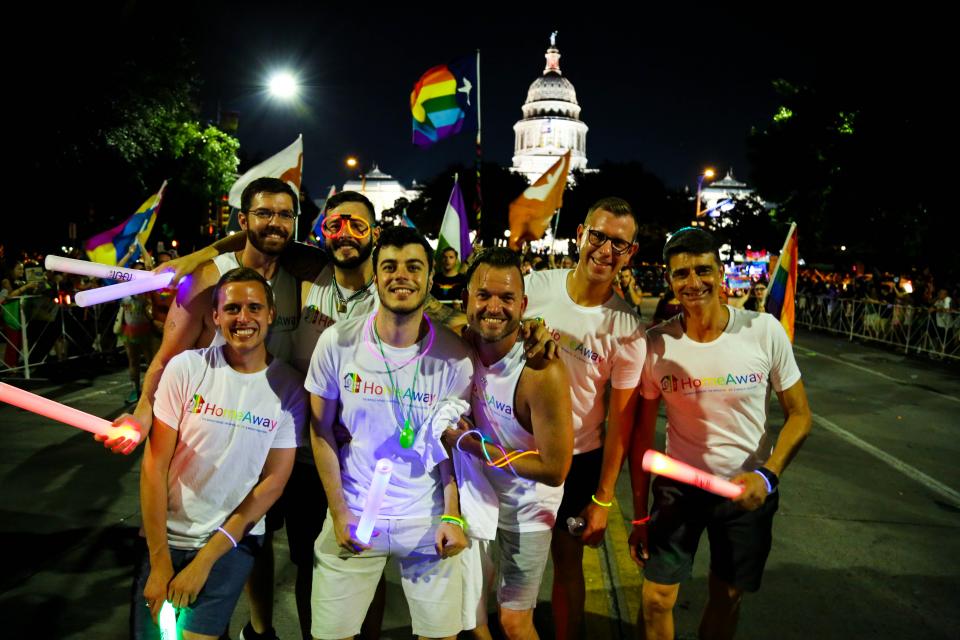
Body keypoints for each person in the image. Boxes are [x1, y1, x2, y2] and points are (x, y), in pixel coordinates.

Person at [629, 227, 812, 640]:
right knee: (656, 598)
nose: (693, 283)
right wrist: (640, 513)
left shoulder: (764, 330)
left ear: (721, 271)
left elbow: (800, 415)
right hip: (679, 488)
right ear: (669, 279)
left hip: (746, 489)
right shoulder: (657, 344)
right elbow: (641, 438)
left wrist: (768, 475)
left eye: (702, 270)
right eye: (681, 274)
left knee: (726, 595)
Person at [306, 226, 471, 640]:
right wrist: (340, 513)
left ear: (430, 278)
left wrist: (452, 514)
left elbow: (450, 449)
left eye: (414, 267)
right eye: (390, 267)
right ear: (376, 276)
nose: (402, 276)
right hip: (358, 513)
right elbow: (320, 429)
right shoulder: (337, 342)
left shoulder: (455, 356)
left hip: (427, 520)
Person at [134, 267, 304, 639]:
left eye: (255, 308)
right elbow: (153, 466)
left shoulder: (288, 387)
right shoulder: (187, 368)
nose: (243, 318)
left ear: (271, 314)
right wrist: (159, 561)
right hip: (167, 535)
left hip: (232, 539)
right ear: (215, 317)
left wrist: (207, 560)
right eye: (232, 309)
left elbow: (273, 483)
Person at [441, 247, 573, 640]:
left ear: (524, 304)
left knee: (515, 622)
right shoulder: (461, 338)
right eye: (483, 296)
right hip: (479, 499)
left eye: (507, 298)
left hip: (527, 510)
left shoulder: (540, 370)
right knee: (473, 609)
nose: (494, 307)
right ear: (466, 299)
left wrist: (471, 445)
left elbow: (555, 469)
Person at [116, 259, 155, 404]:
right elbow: (117, 269)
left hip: (146, 328)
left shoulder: (147, 288)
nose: (139, 273)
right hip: (129, 330)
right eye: (136, 270)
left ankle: (150, 391)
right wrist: (129, 254)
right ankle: (135, 389)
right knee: (133, 362)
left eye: (141, 270)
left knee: (151, 362)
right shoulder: (124, 288)